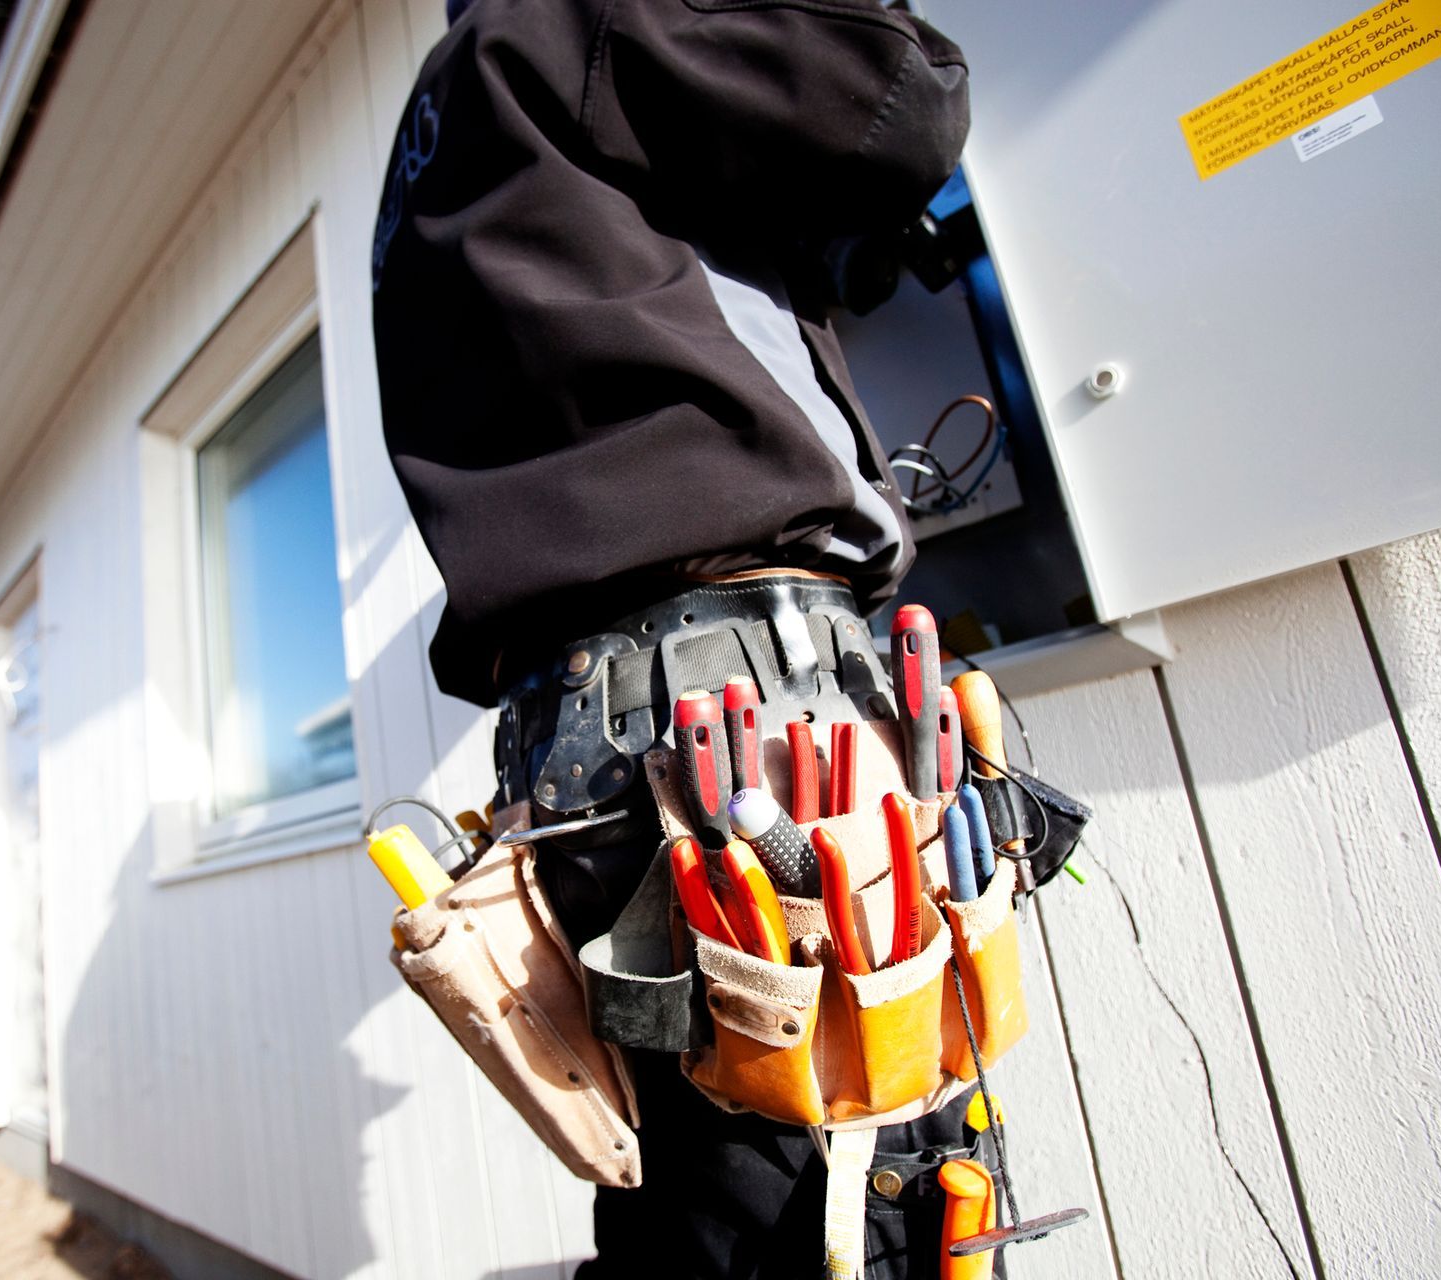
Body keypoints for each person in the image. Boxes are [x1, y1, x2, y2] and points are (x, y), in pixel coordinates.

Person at [373, 1, 989, 1274]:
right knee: (855, 1201)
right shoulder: (587, 14)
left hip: (576, 749)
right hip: (745, 692)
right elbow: (903, 97)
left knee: (699, 1215)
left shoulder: (437, 123)